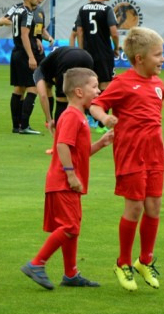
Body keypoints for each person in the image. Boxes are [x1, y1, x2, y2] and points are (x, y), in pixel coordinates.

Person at [89, 27, 164, 292]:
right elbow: (96, 105)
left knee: (154, 206)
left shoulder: (159, 85)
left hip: (154, 154)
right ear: (139, 58)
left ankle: (144, 260)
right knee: (134, 208)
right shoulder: (123, 83)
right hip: (131, 155)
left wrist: (162, 145)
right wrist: (105, 118)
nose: (162, 59)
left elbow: (154, 120)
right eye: (158, 55)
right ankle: (122, 262)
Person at [21, 68, 113, 290]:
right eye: (94, 87)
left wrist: (101, 143)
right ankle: (36, 264)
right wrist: (71, 174)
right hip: (63, 181)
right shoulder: (72, 116)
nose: (98, 91)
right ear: (79, 92)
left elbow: (79, 152)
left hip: (66, 182)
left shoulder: (78, 116)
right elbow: (62, 145)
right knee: (69, 226)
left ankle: (71, 274)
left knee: (73, 227)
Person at [6, 0, 43, 135]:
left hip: (16, 52)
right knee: (33, 88)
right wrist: (31, 56)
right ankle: (25, 125)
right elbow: (24, 35)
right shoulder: (28, 13)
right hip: (24, 54)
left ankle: (16, 125)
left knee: (18, 89)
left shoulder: (17, 10)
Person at [34, 46, 95, 132]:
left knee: (61, 99)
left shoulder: (38, 72)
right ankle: (91, 119)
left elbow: (43, 96)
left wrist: (49, 120)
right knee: (83, 93)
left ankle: (62, 131)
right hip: (87, 56)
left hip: (67, 60)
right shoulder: (51, 65)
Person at [76, 0, 120, 92]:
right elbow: (114, 33)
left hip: (87, 53)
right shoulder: (107, 10)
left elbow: (79, 31)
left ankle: (91, 104)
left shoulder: (83, 9)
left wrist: (81, 51)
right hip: (104, 53)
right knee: (105, 85)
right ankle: (101, 104)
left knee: (89, 84)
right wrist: (116, 48)